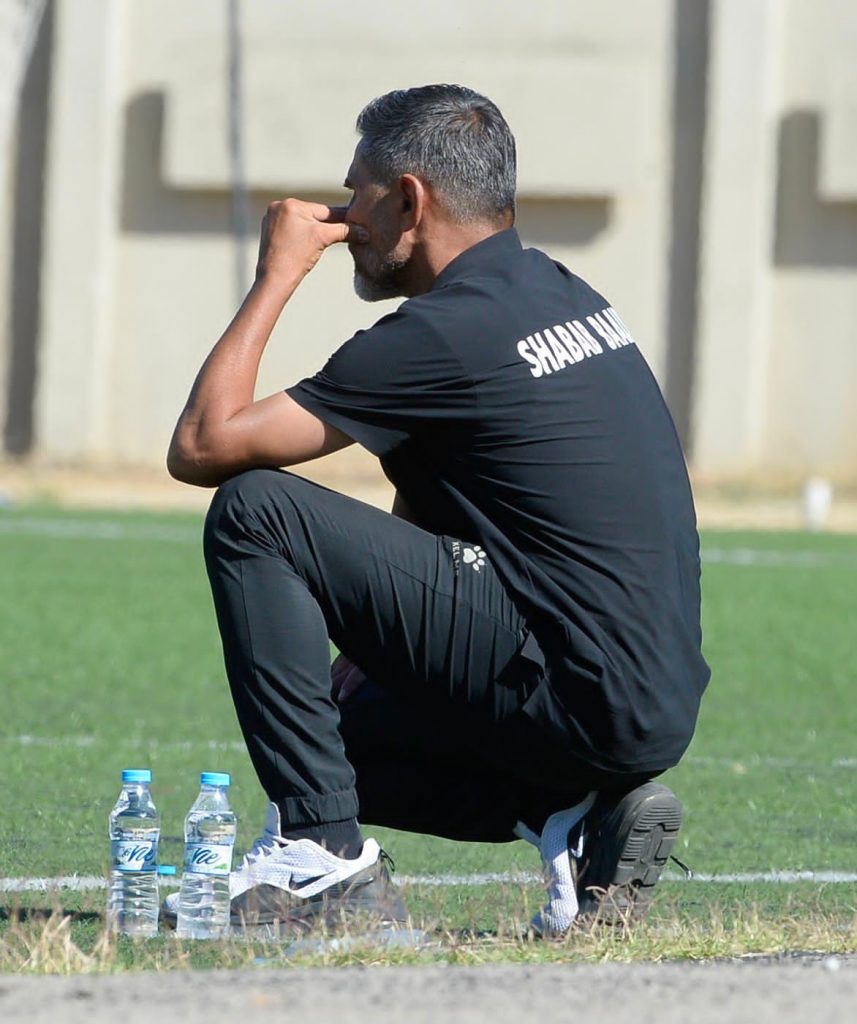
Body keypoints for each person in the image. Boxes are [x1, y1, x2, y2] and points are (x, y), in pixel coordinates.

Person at [165, 84, 710, 936]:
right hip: (642, 699)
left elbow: (203, 446)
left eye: (357, 193)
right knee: (331, 734)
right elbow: (450, 486)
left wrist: (276, 274)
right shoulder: (557, 291)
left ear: (409, 200)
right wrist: (376, 647)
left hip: (574, 687)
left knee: (256, 509)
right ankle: (571, 815)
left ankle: (320, 862)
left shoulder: (440, 335)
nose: (347, 218)